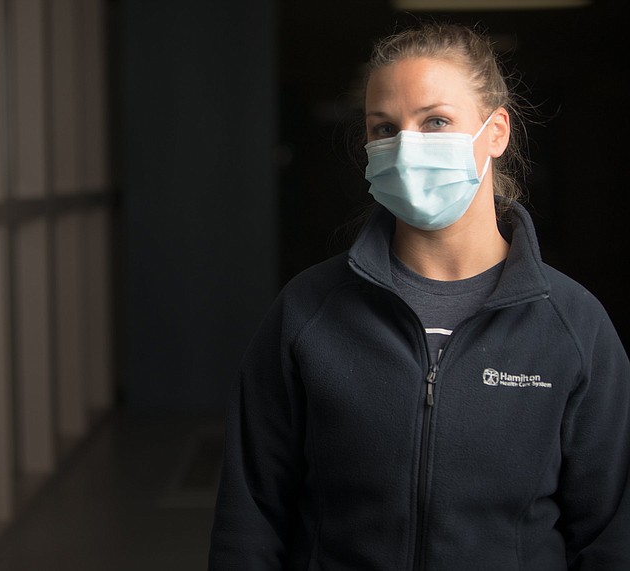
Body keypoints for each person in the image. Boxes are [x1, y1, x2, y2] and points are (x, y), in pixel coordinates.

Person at [208, 21, 630, 570]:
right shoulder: (307, 312)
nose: (406, 148)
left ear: (496, 132)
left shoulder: (574, 327)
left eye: (435, 121)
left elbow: (610, 535)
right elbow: (250, 520)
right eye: (384, 128)